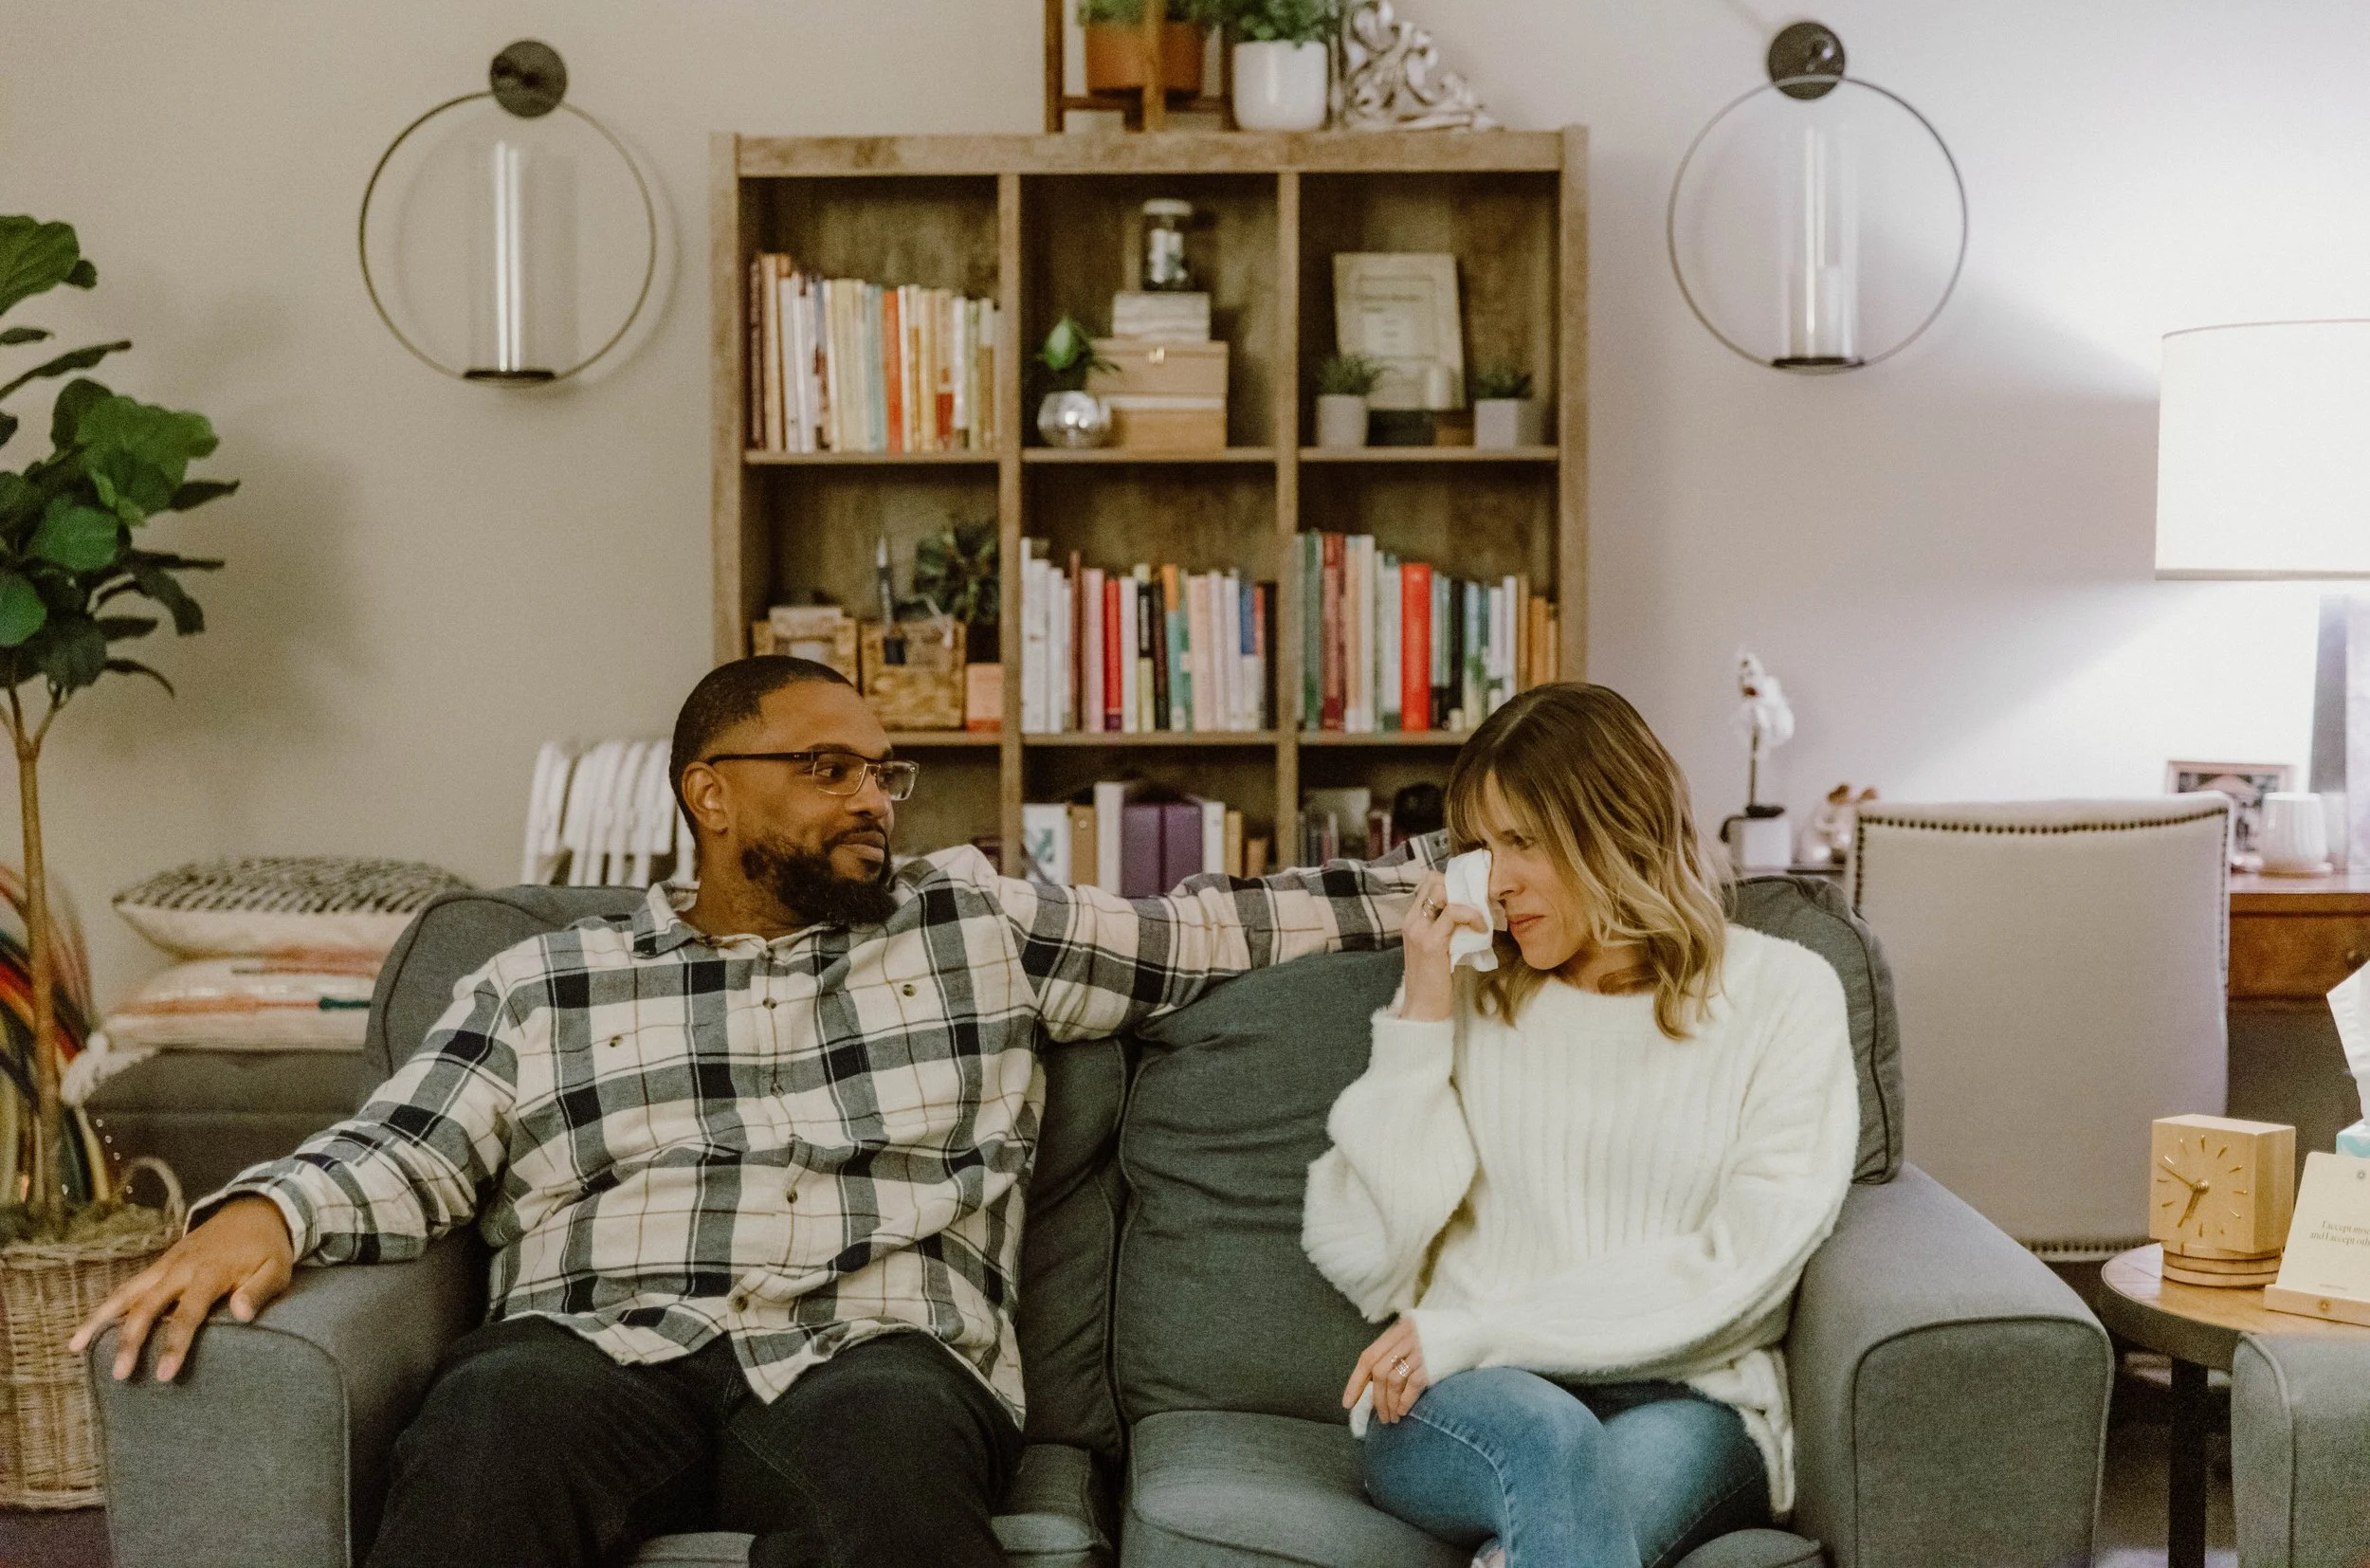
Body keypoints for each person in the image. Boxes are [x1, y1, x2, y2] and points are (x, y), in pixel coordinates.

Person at [78, 655, 1443, 1568]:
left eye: (883, 772)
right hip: (599, 1335)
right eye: (829, 769)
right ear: (711, 791)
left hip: (880, 1345)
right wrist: (265, 1207)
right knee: (490, 1419)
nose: (874, 802)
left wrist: (1474, 865)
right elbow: (409, 1140)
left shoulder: (977, 920)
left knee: (893, 1474)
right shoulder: (545, 978)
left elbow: (1222, 926)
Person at [1301, 683, 1858, 1568]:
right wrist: (1422, 1013)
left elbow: (1745, 1261)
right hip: (1474, 1397)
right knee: (1549, 1441)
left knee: (1558, 1518)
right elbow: (1368, 1256)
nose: (1501, 877)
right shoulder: (1473, 997)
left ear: (1619, 825)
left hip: (1685, 1399)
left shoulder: (1784, 996)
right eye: (1484, 847)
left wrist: (1487, 1323)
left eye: (1524, 840)